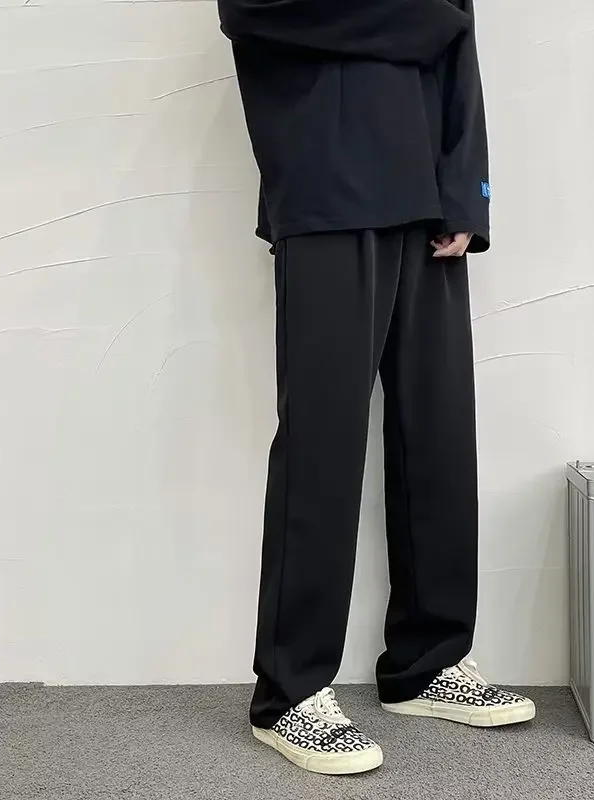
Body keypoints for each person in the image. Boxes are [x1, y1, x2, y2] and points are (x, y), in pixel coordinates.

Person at [218, 0, 536, 775]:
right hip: (326, 183)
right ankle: (290, 693)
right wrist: (423, 21)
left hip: (428, 196)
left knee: (439, 432)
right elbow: (252, 11)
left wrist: (467, 194)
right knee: (322, 441)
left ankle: (427, 662)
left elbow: (459, 42)